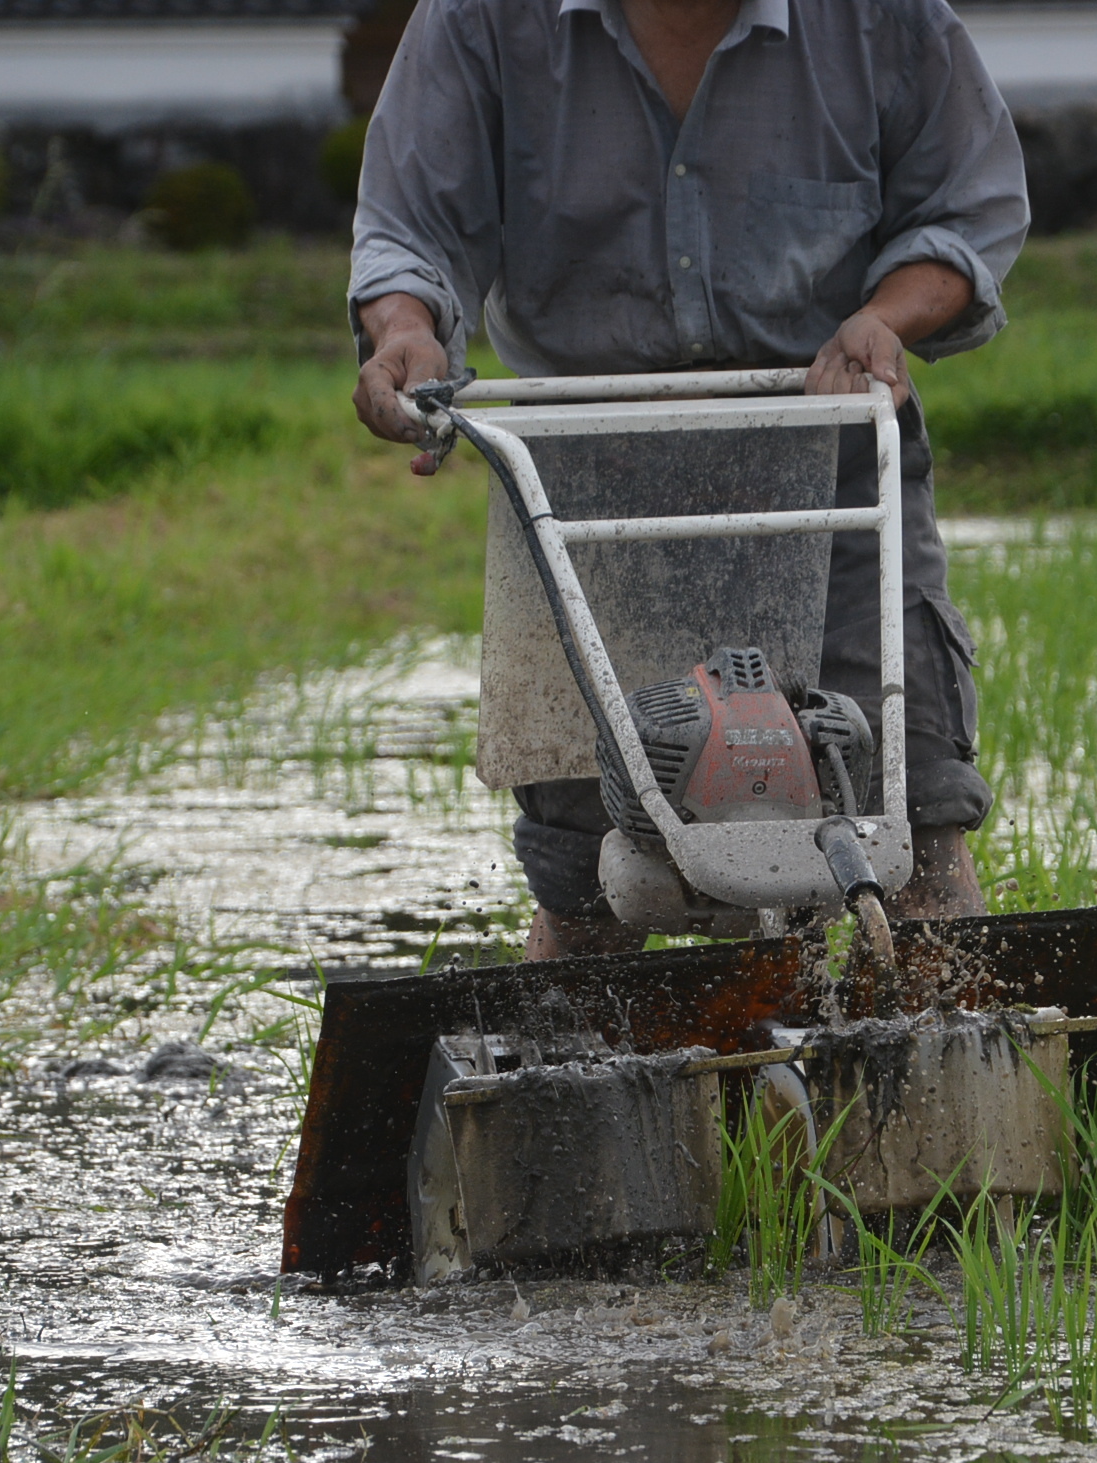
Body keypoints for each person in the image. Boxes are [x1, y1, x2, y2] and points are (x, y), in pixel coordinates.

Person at [346, 0, 1029, 958]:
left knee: (914, 831)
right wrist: (408, 331)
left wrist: (885, 316)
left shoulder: (882, 18)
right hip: (588, 479)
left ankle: (949, 1088)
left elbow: (968, 205)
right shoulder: (484, 20)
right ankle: (571, 1092)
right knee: (590, 874)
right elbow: (408, 227)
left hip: (828, 462)